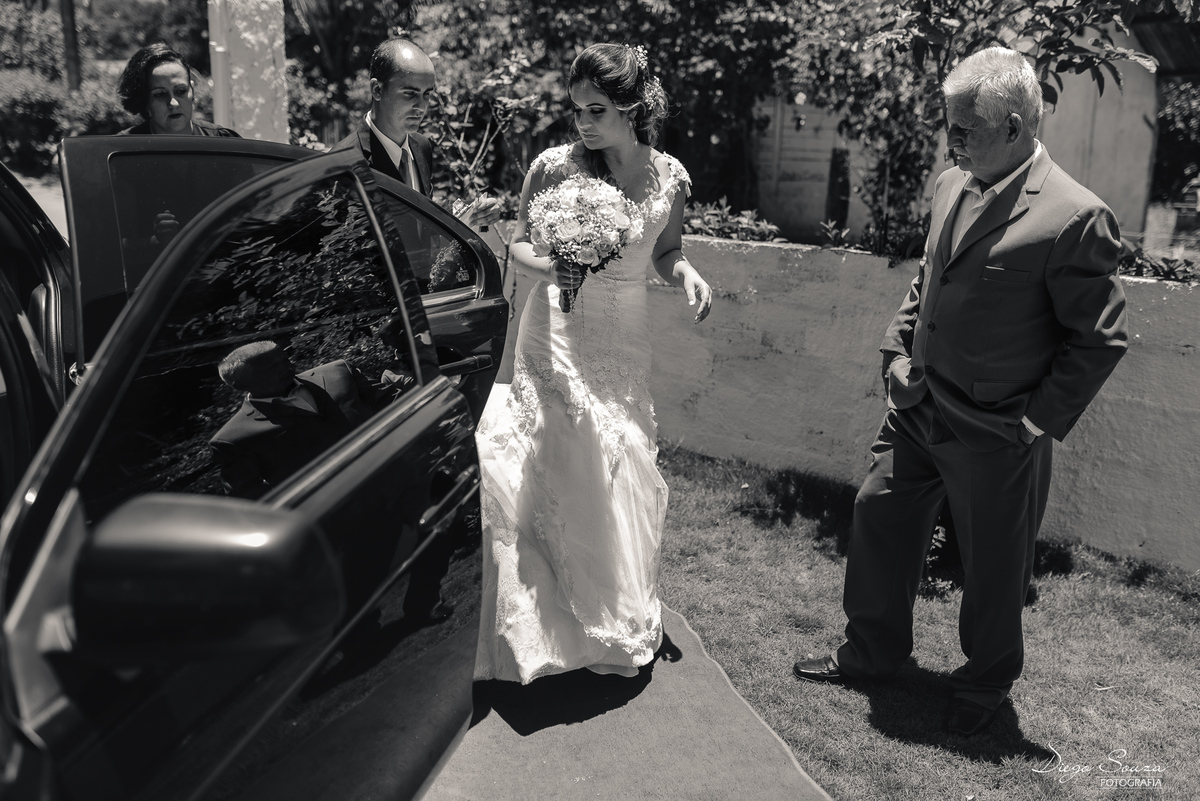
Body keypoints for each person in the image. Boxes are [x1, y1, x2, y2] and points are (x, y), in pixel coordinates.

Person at [791, 47, 1129, 736]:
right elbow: (928, 279)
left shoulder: (1075, 216)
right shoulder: (951, 183)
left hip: (1000, 429)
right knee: (877, 512)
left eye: (965, 127)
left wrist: (1034, 424)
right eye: (950, 123)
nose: (952, 139)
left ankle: (984, 688)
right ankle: (872, 652)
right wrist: (896, 350)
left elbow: (1098, 339)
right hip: (917, 406)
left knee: (995, 565)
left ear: (1013, 126)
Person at [473, 43, 713, 684]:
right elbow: (516, 242)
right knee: (569, 439)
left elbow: (666, 249)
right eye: (576, 109)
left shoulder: (669, 177)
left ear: (634, 108)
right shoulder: (555, 167)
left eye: (596, 109)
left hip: (624, 338)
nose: (581, 123)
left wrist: (684, 271)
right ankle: (548, 616)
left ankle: (609, 605)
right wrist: (554, 264)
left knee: (623, 455)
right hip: (555, 324)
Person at [331, 37, 501, 231]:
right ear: (377, 90)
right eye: (410, 93)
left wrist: (474, 217)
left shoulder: (421, 147)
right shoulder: (342, 165)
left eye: (427, 94)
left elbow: (420, 228)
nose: (421, 106)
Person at [209, 341, 379, 500]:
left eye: (285, 359)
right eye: (273, 367)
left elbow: (391, 399)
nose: (288, 367)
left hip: (399, 474)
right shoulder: (233, 439)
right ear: (242, 384)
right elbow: (250, 499)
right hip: (345, 513)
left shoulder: (339, 373)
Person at [117, 43, 241, 138]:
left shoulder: (223, 142)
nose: (173, 104)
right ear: (145, 101)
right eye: (160, 94)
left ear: (192, 91)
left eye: (181, 91)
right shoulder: (123, 150)